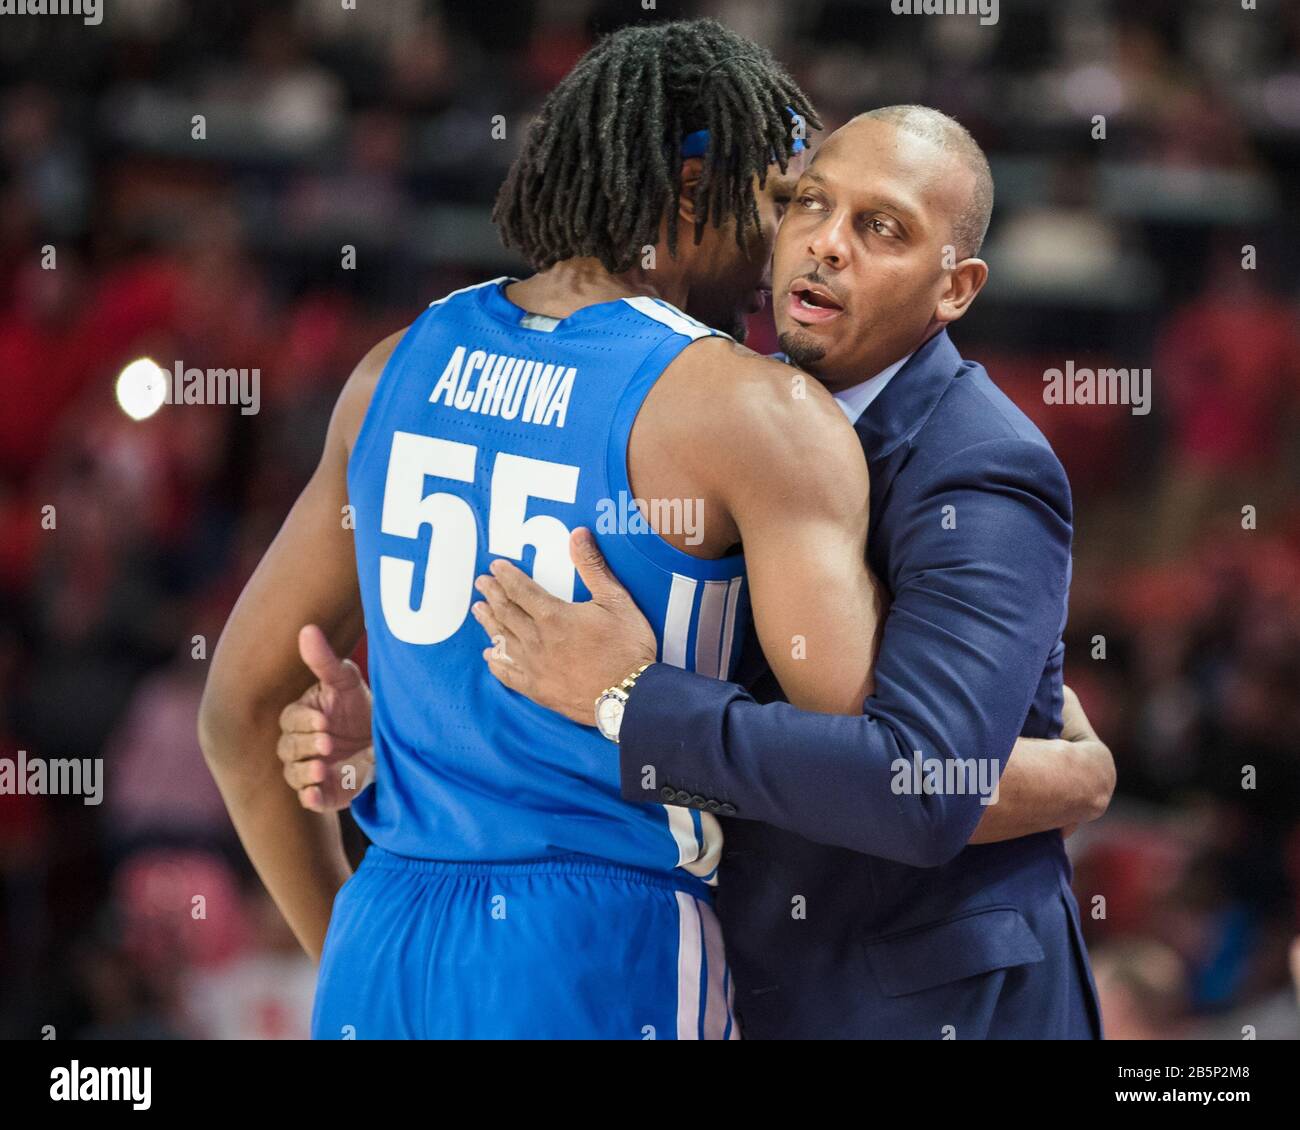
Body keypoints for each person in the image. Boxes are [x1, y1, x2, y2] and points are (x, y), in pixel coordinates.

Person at [269, 99, 1115, 1039]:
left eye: (881, 229)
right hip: (730, 977)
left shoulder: (984, 466)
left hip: (926, 1007)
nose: (828, 244)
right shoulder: (718, 402)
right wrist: (400, 736)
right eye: (810, 205)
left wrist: (630, 698)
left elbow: (923, 784)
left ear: (955, 289)